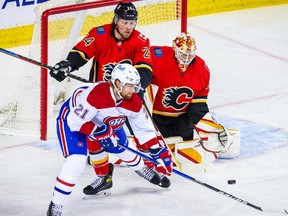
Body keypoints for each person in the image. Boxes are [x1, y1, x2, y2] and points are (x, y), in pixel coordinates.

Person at [46, 63, 172, 216]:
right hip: (73, 121)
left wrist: (156, 148)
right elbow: (74, 121)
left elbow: (143, 128)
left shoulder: (133, 101)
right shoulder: (95, 96)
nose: (134, 90)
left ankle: (142, 169)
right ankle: (56, 206)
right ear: (118, 83)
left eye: (135, 86)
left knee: (123, 147)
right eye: (130, 86)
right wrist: (98, 131)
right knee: (76, 162)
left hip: (103, 119)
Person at [50, 1, 152, 98]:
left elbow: (144, 68)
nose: (128, 28)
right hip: (99, 92)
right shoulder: (100, 34)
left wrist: (139, 86)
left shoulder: (141, 41)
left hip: (125, 94)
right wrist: (67, 66)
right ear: (116, 21)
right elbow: (81, 53)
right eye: (124, 23)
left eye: (131, 23)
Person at [149, 32, 231, 150]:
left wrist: (210, 129)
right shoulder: (157, 55)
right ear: (174, 49)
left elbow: (198, 105)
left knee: (184, 148)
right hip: (154, 116)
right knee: (157, 148)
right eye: (183, 54)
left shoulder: (202, 69)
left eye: (191, 55)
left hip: (182, 117)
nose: (187, 59)